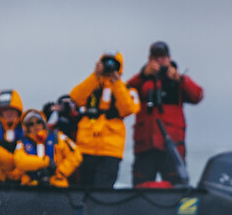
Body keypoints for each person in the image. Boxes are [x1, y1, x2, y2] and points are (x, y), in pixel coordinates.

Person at [126, 41, 205, 186]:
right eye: (155, 57)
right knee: (139, 187)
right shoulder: (141, 81)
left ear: (169, 58)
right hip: (145, 145)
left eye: (162, 57)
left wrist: (180, 79)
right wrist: (142, 75)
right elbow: (124, 93)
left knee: (177, 186)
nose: (159, 60)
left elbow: (197, 96)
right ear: (149, 59)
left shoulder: (177, 81)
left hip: (172, 146)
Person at [68, 51, 138, 188]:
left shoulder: (127, 90)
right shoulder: (92, 84)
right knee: (81, 188)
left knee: (102, 190)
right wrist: (95, 76)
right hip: (86, 147)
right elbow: (75, 98)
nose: (109, 67)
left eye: (113, 64)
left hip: (110, 151)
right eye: (106, 63)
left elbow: (128, 109)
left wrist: (116, 82)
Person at [13, 109, 82, 187]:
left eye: (38, 122)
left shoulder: (58, 137)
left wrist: (61, 172)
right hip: (31, 187)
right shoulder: (22, 143)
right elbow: (20, 161)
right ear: (26, 128)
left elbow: (76, 154)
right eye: (31, 124)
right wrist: (46, 162)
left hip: (56, 185)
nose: (35, 126)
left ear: (43, 123)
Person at [0, 89, 25, 183]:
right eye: (5, 109)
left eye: (12, 109)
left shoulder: (28, 129)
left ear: (18, 110)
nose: (9, 112)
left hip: (23, 179)